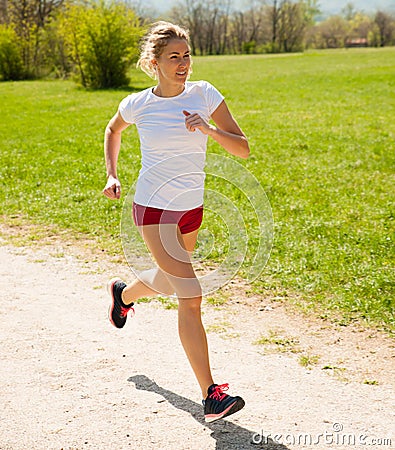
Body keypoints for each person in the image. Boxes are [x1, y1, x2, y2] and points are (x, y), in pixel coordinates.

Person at [102, 21, 250, 423]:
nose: (183, 63)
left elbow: (243, 149)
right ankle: (211, 395)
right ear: (155, 63)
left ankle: (124, 295)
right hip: (153, 208)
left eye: (187, 55)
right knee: (190, 294)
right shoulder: (139, 104)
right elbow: (113, 129)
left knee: (170, 278)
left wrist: (208, 128)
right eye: (174, 57)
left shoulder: (204, 94)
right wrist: (112, 173)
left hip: (191, 207)